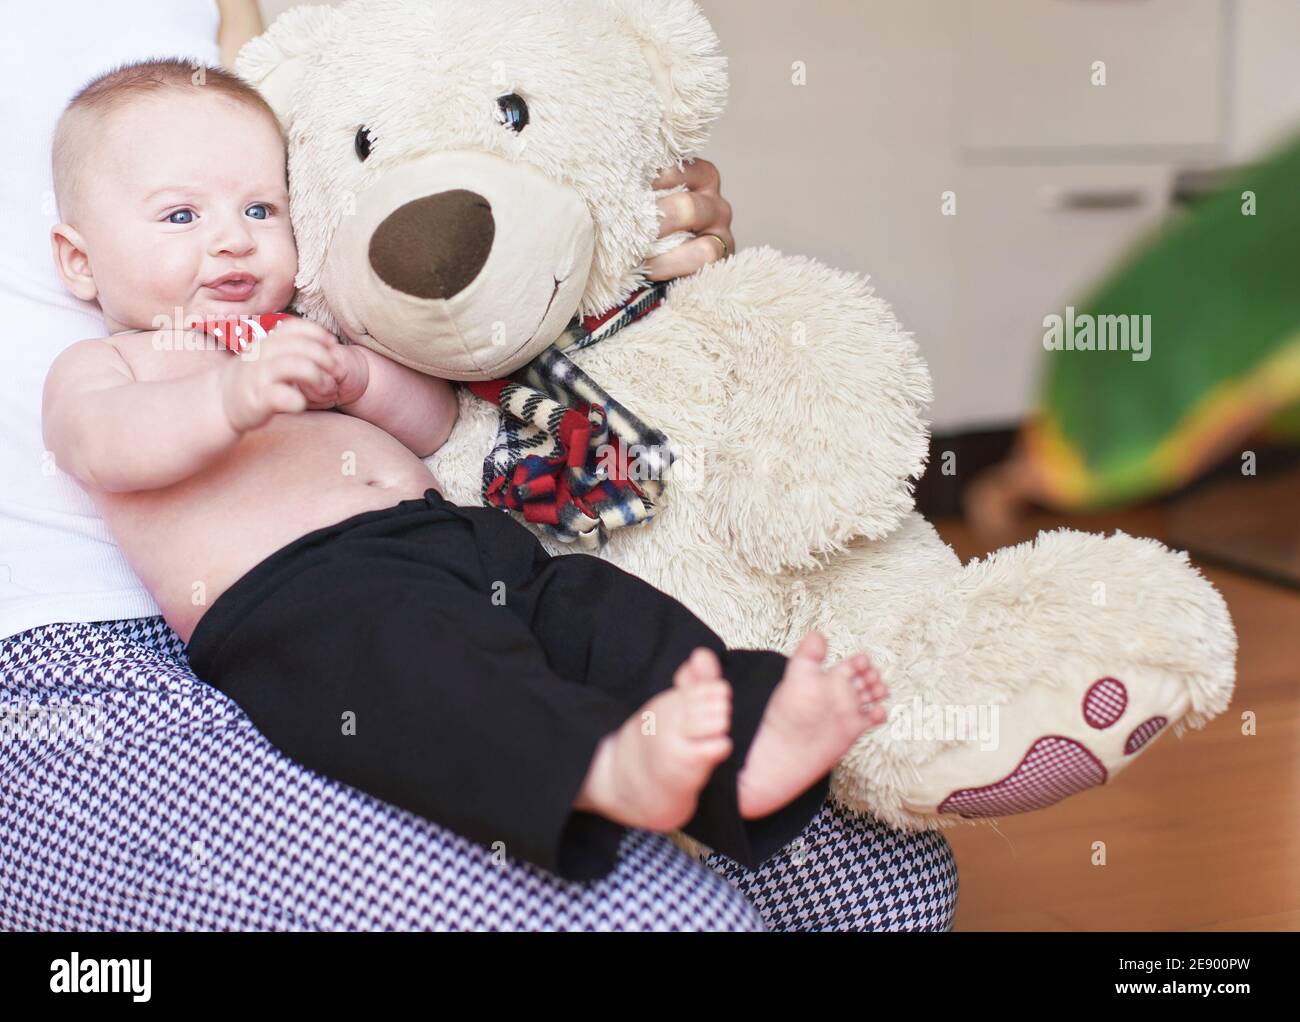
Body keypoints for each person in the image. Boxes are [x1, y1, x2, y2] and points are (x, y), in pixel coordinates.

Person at [1, 0, 956, 931]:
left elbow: (427, 424)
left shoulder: (293, 332)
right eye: (179, 216)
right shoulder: (111, 366)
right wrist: (230, 398)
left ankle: (744, 742)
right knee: (440, 685)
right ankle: (593, 770)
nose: (231, 237)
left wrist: (362, 379)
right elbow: (110, 448)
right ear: (76, 263)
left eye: (261, 206)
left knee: (598, 615)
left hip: (454, 542)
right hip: (305, 602)